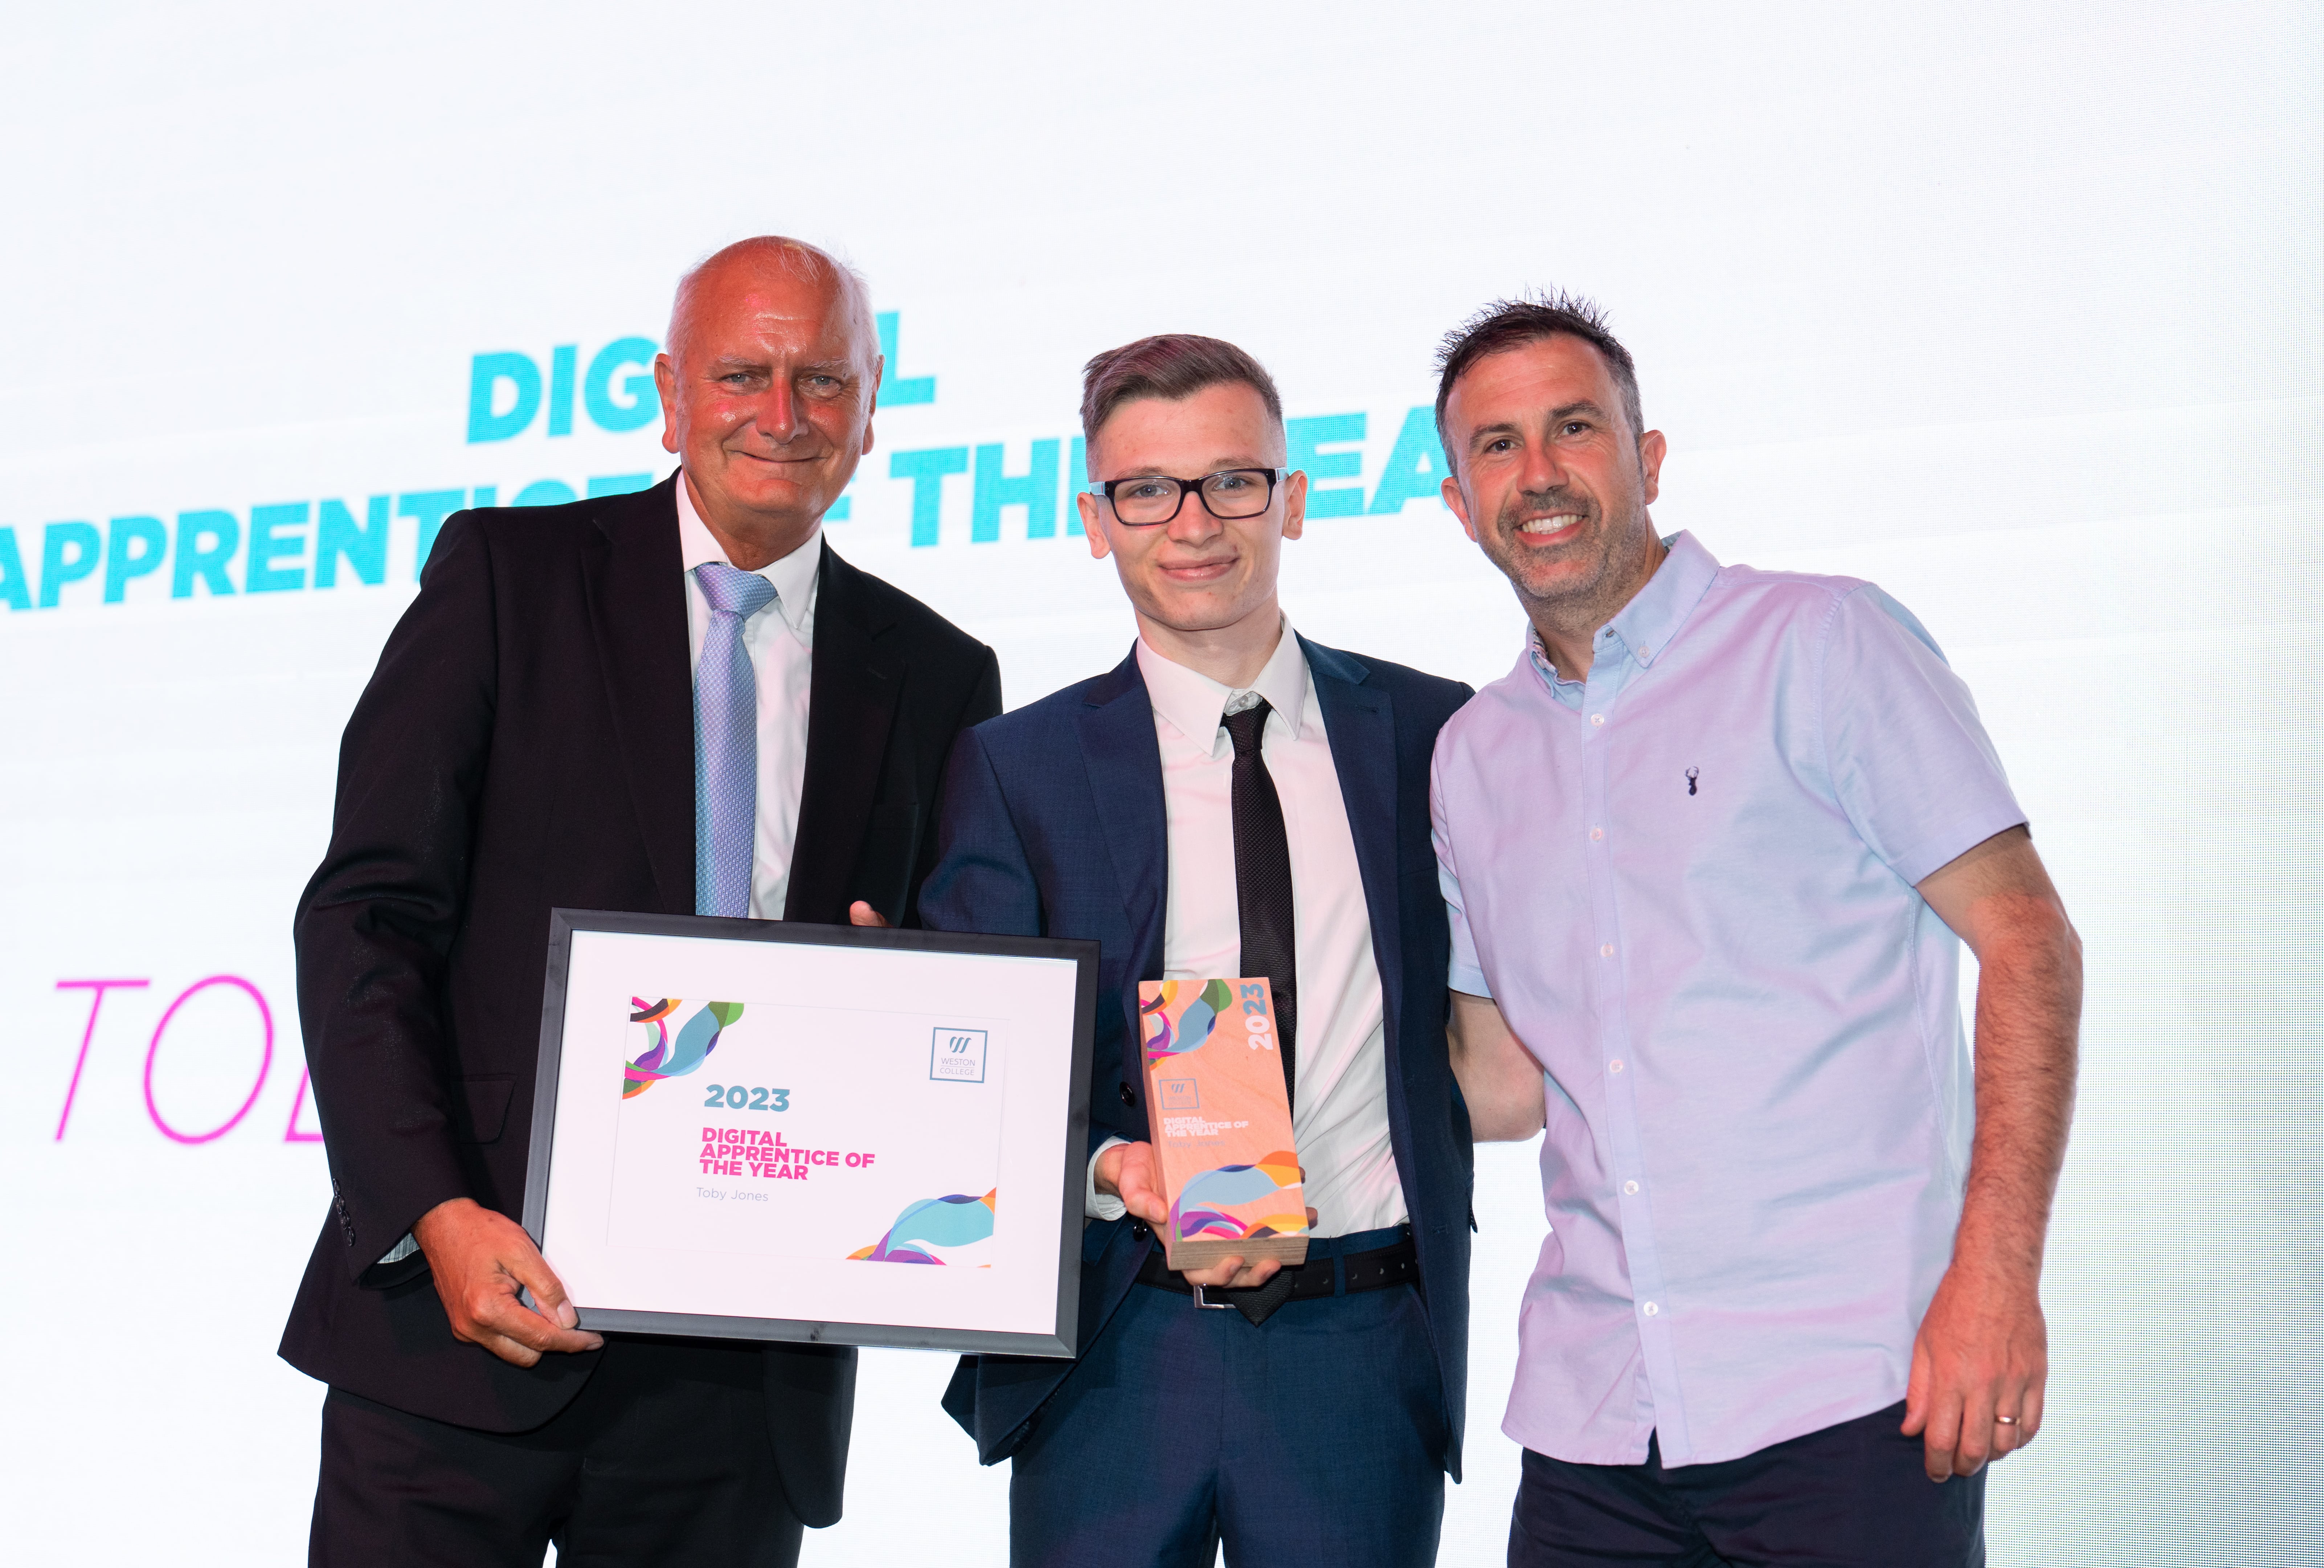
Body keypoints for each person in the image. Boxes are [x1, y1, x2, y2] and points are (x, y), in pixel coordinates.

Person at [278, 236, 1002, 1566]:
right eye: (742, 373)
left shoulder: (941, 673)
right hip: (464, 1328)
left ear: (872, 405)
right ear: (670, 395)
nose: (781, 416)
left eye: (821, 381)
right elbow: (365, 917)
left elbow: (945, 992)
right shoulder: (507, 576)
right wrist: (435, 1211)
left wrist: (903, 1001)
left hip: (735, 1396)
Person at [1431, 294, 2083, 1566]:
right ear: (1460, 503)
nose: (1540, 473)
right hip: (1595, 1420)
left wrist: (1995, 1279)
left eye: (1574, 428)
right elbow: (1500, 1086)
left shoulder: (1819, 640)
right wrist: (1238, 1111)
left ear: (1647, 455)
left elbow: (2027, 940)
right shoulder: (1472, 757)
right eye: (1496, 447)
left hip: (1849, 1393)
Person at [913, 334, 1476, 1566]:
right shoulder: (1019, 769)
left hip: (1359, 1341)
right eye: (1145, 489)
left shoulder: (1439, 732)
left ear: (1294, 497)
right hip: (1121, 1344)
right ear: (1092, 518)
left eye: (1233, 480)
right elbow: (972, 1080)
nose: (1194, 522)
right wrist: (1114, 1164)